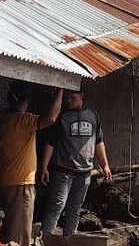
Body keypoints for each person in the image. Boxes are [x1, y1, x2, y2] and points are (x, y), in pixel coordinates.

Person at [0, 82, 62, 246]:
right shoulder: (23, 120)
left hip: (5, 180)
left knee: (8, 228)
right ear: (25, 102)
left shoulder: (4, 120)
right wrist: (60, 90)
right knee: (20, 232)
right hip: (20, 182)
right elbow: (50, 118)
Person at [40, 88, 112, 236]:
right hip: (62, 170)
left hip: (84, 172)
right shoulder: (61, 117)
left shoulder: (92, 116)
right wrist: (44, 166)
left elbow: (99, 142)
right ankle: (44, 242)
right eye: (67, 98)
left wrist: (105, 165)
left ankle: (69, 239)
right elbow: (50, 142)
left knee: (75, 208)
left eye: (73, 98)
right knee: (57, 205)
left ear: (82, 97)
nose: (69, 101)